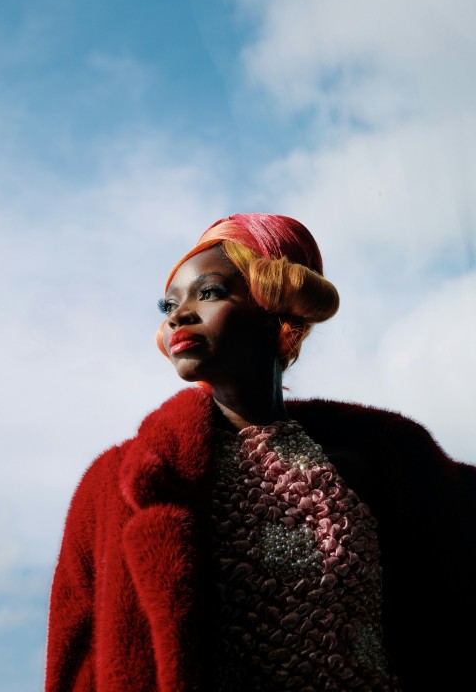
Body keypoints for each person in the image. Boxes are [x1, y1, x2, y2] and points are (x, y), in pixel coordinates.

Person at [45, 213, 476, 692]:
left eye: (208, 292)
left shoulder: (384, 469)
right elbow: (73, 662)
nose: (177, 315)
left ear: (276, 306)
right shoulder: (119, 485)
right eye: (169, 303)